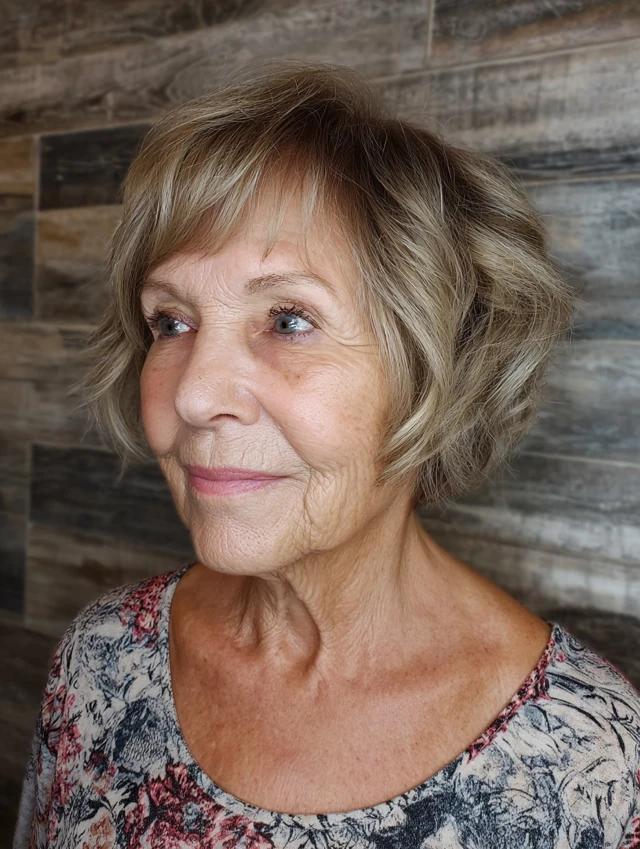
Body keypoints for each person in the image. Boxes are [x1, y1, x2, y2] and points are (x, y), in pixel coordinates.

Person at [13, 59, 640, 849]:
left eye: (288, 319)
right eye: (171, 322)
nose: (195, 394)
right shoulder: (102, 659)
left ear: (438, 367)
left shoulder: (589, 769)